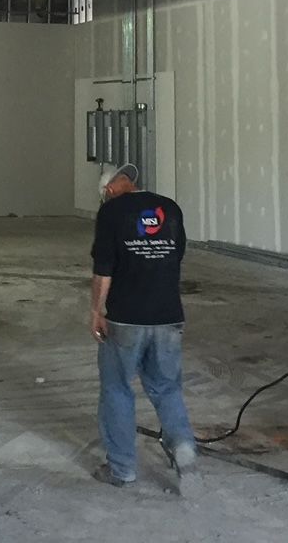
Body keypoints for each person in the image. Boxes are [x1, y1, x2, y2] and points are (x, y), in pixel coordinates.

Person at [88, 163, 198, 493]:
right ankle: (183, 447)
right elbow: (175, 256)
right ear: (130, 182)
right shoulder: (171, 208)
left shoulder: (110, 214)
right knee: (167, 388)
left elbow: (103, 269)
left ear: (109, 190)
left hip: (126, 316)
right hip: (168, 315)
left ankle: (122, 469)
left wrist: (96, 309)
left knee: (117, 389)